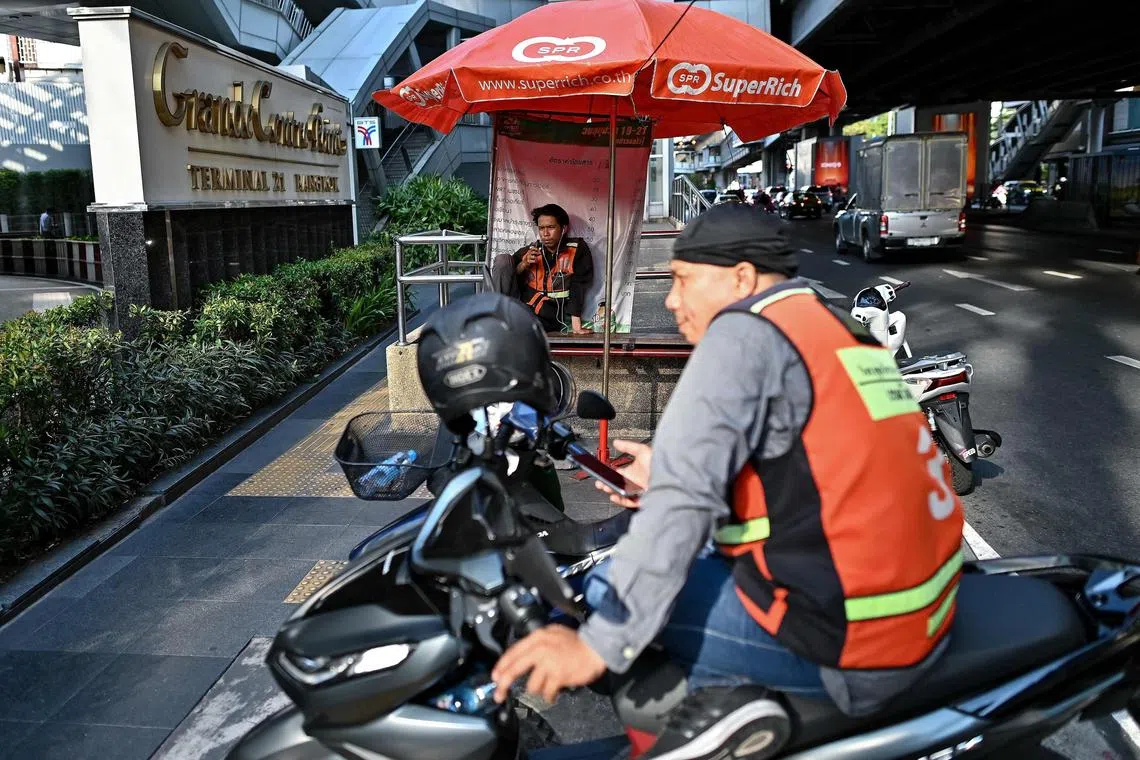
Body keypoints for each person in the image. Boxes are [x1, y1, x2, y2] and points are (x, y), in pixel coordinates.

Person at [491, 204, 965, 759]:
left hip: (845, 645)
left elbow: (681, 510)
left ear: (742, 279)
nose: (670, 300)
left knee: (602, 599)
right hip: (914, 617)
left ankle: (708, 730)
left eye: (683, 280)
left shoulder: (744, 333)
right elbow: (818, 468)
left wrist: (595, 647)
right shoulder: (835, 328)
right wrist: (669, 477)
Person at [488, 204, 594, 334]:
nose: (545, 234)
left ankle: (506, 325)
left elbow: (578, 286)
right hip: (521, 307)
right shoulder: (531, 250)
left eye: (551, 227)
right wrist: (523, 264)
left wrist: (576, 325)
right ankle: (496, 317)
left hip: (548, 315)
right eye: (541, 228)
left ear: (564, 228)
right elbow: (506, 277)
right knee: (503, 259)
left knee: (521, 326)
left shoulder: (577, 250)